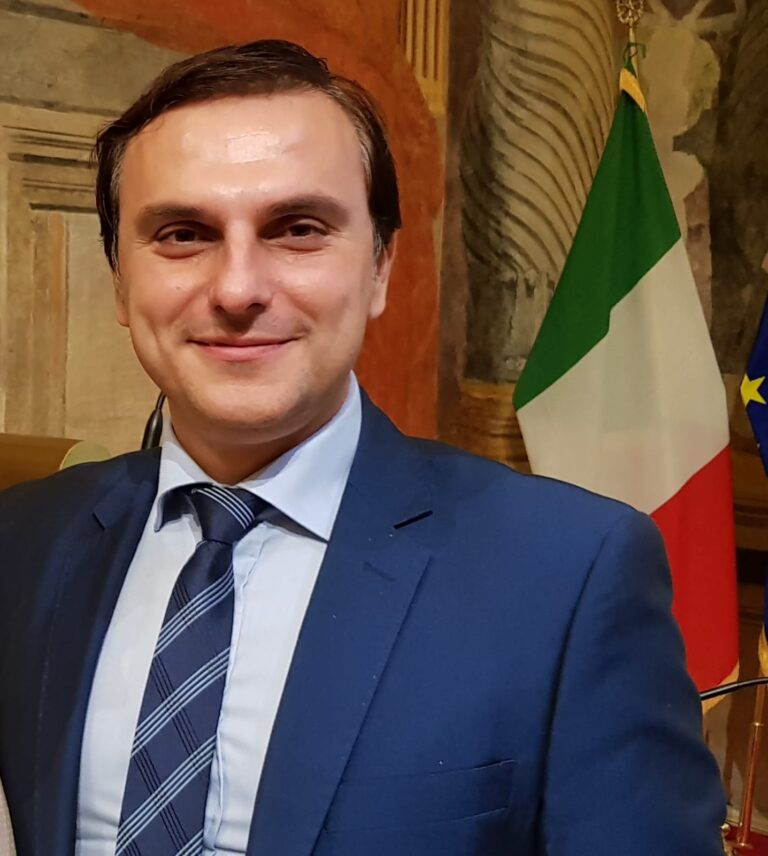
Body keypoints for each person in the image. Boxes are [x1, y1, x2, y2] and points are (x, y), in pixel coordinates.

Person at [0, 40, 726, 856]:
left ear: (380, 267)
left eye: (298, 229)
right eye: (182, 234)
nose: (237, 288)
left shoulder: (568, 574)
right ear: (120, 282)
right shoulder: (24, 543)